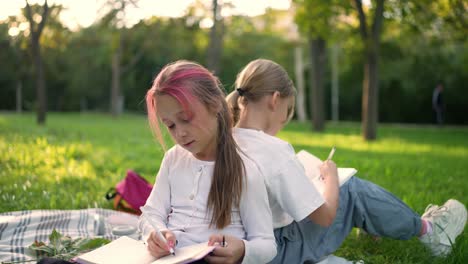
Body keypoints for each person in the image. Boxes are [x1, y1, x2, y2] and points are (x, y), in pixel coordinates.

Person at [218, 59, 466, 263]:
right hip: (279, 252)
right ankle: (431, 231)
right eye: (288, 110)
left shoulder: (225, 142)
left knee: (338, 191)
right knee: (350, 189)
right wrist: (331, 180)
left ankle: (372, 224)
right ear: (274, 99)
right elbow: (325, 218)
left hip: (246, 248)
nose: (285, 119)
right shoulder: (274, 150)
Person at [139, 60, 276, 264]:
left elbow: (267, 245)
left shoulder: (245, 170)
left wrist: (242, 250)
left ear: (214, 105)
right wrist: (156, 234)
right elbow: (150, 214)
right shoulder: (173, 159)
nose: (180, 133)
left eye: (185, 119)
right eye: (170, 125)